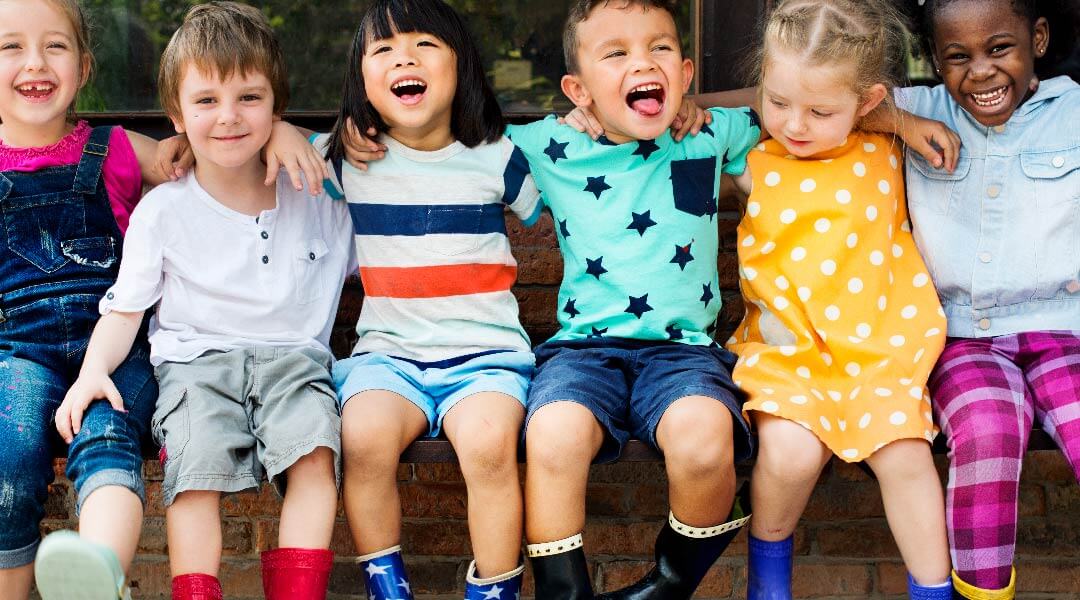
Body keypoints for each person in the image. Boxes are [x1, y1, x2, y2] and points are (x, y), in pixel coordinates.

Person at [59, 3, 354, 599]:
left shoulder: (319, 189)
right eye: (206, 102)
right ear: (177, 116)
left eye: (250, 98)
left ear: (277, 106)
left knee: (316, 457)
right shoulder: (165, 209)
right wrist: (92, 372)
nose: (228, 118)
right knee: (193, 477)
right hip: (195, 366)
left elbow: (381, 140)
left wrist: (300, 138)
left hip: (296, 362)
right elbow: (127, 308)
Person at [505, 2, 763, 597]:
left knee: (704, 442)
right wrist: (288, 131)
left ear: (687, 70)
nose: (642, 62)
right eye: (615, 53)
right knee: (552, 436)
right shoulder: (549, 143)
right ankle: (563, 592)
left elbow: (799, 93)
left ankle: (668, 584)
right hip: (581, 353)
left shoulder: (708, 134)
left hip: (684, 354)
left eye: (660, 49)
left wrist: (710, 104)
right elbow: (446, 134)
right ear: (579, 89)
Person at [719, 1, 955, 597]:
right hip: (789, 356)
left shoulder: (885, 151)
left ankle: (934, 590)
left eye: (821, 111)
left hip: (881, 352)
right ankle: (768, 582)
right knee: (791, 453)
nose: (795, 124)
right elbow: (686, 117)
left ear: (868, 104)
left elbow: (893, 116)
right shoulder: (754, 160)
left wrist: (899, 124)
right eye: (777, 103)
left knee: (906, 456)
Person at [315, 1, 542, 598]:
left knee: (491, 447)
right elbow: (262, 142)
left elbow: (555, 199)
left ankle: (496, 589)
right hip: (388, 356)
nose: (404, 58)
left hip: (486, 357)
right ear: (362, 80)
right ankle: (387, 587)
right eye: (383, 50)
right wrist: (303, 135)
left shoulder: (498, 157)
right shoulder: (345, 160)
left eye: (424, 45)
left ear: (460, 65)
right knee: (361, 439)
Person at [898, 1, 1080, 597]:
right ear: (934, 60)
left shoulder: (1074, 110)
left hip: (1065, 331)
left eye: (998, 48)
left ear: (1040, 38)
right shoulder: (917, 110)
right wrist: (898, 126)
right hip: (963, 337)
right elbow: (816, 96)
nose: (979, 71)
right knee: (987, 430)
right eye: (957, 56)